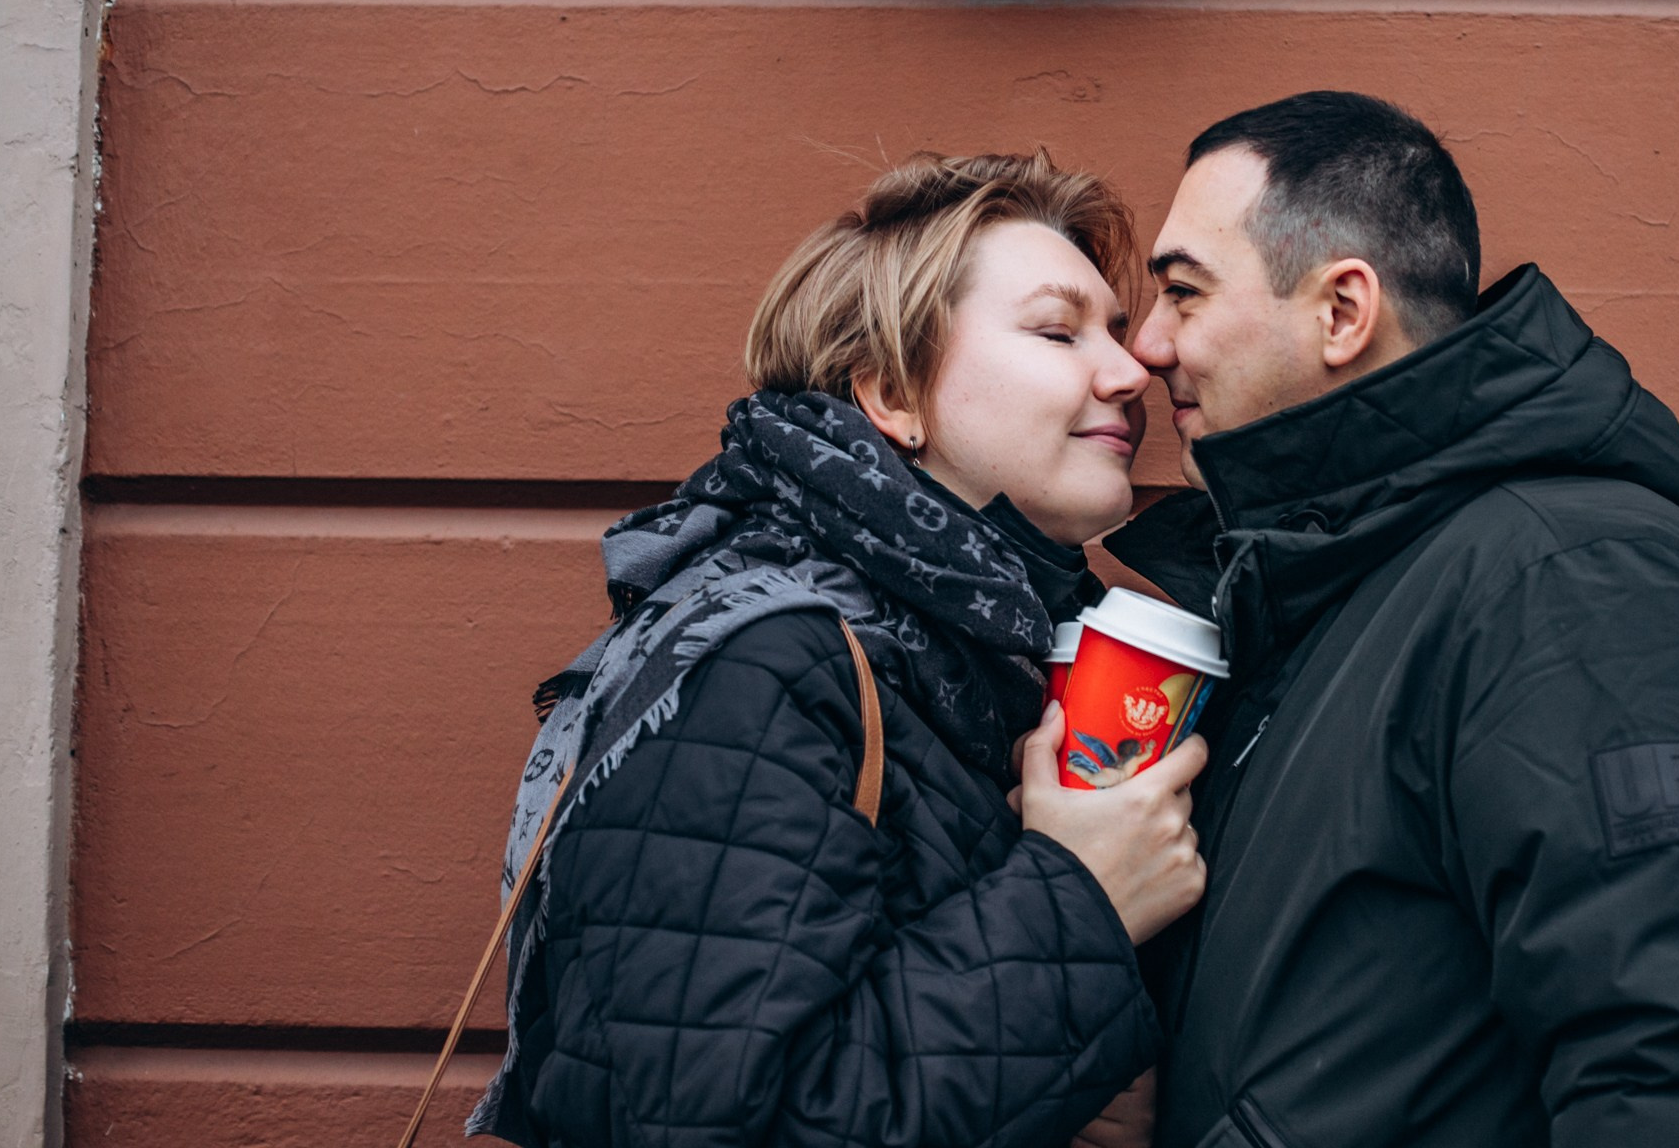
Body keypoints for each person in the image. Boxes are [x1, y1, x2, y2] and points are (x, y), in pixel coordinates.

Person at [1101, 92, 1679, 1146]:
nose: (1148, 344)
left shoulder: (1580, 587)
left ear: (1342, 311)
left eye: (1183, 292)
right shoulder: (1343, 584)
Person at [469, 152, 1208, 1148]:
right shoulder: (767, 665)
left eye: (1116, 332)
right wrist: (1081, 903)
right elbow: (712, 1127)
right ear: (893, 393)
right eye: (1057, 331)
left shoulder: (985, 653)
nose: (1128, 372)